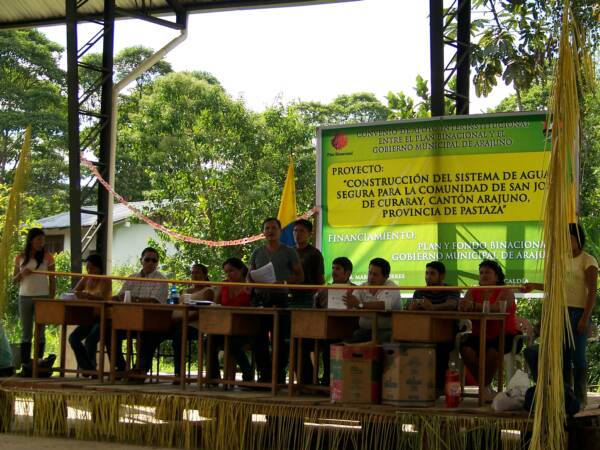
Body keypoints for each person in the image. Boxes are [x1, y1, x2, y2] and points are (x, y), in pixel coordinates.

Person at [523, 223, 598, 407]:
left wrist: (584, 318)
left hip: (578, 311)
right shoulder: (561, 258)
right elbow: (555, 286)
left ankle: (581, 397)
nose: (567, 242)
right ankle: (566, 396)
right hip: (560, 311)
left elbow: (592, 291)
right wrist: (534, 285)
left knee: (578, 356)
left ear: (578, 239)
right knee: (562, 356)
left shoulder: (588, 261)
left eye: (570, 238)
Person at [249, 217, 303, 383]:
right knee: (259, 339)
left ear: (280, 231)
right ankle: (264, 377)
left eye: (274, 228)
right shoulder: (257, 252)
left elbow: (299, 275)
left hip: (281, 299)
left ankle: (278, 377)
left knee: (279, 340)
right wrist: (253, 280)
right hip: (260, 299)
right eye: (267, 228)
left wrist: (284, 283)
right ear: (263, 232)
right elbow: (249, 277)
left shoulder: (289, 251)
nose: (270, 231)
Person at [459, 260, 521, 402]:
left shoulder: (506, 291)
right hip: (478, 334)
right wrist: (464, 306)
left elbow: (496, 308)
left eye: (488, 272)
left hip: (505, 334)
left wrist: (473, 305)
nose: (484, 275)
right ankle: (485, 386)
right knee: (465, 349)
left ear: (497, 276)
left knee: (493, 351)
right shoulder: (473, 291)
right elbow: (464, 307)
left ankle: (484, 387)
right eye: (481, 272)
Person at [409, 261, 460, 396]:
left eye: (432, 274)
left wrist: (433, 308)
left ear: (441, 276)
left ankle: (438, 389)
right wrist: (412, 308)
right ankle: (415, 386)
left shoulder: (452, 290)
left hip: (446, 332)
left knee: (440, 348)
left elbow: (452, 304)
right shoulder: (420, 292)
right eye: (426, 273)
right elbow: (412, 309)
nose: (428, 277)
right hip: (423, 332)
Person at [12, 228, 56, 370]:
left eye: (42, 240)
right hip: (24, 297)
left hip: (42, 297)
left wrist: (51, 297)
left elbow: (52, 278)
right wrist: (22, 274)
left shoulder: (48, 257)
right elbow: (14, 280)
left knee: (41, 332)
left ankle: (39, 362)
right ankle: (25, 364)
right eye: (38, 240)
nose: (41, 243)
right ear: (31, 240)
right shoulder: (20, 257)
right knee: (26, 332)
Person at [206, 258, 254, 382]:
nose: (228, 274)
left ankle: (247, 375)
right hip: (225, 327)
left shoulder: (251, 286)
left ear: (241, 269)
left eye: (231, 271)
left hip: (245, 327)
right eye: (226, 272)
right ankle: (214, 376)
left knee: (233, 343)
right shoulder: (223, 285)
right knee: (208, 340)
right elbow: (215, 305)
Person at [68, 254, 112, 374]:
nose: (89, 271)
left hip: (104, 317)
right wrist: (78, 294)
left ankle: (90, 367)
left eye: (92, 268)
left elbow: (102, 298)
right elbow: (74, 291)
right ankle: (87, 366)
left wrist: (88, 296)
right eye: (87, 268)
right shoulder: (86, 278)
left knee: (91, 339)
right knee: (73, 338)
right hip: (89, 317)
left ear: (99, 268)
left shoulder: (106, 280)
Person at [314, 256, 355, 385]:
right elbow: (316, 308)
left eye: (338, 268)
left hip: (350, 331)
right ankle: (324, 381)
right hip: (327, 332)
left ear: (347, 273)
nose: (334, 271)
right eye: (332, 268)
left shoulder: (357, 290)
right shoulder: (323, 290)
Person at [343, 257, 402, 343]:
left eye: (375, 275)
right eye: (370, 273)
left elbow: (384, 305)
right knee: (342, 342)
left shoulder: (392, 287)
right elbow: (353, 303)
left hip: (387, 332)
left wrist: (360, 305)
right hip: (364, 331)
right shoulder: (363, 286)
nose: (371, 277)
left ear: (385, 277)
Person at [290, 219, 325, 308]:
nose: (298, 234)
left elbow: (320, 280)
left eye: (302, 231)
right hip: (288, 295)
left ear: (309, 234)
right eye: (295, 230)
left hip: (307, 298)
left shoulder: (314, 253)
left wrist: (315, 296)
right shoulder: (288, 252)